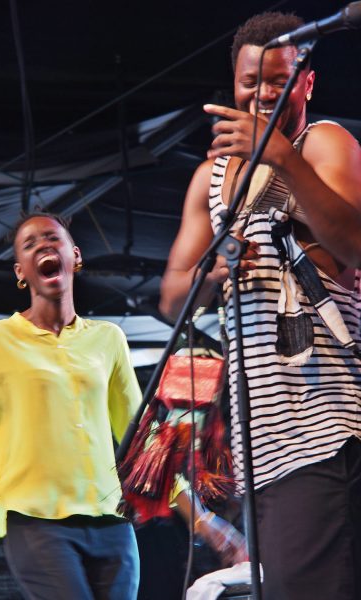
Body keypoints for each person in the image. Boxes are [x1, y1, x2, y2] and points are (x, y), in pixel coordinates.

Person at [159, 10, 361, 600]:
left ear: (306, 83)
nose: (265, 93)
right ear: (235, 85)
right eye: (253, 82)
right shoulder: (211, 179)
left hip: (328, 420)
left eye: (280, 80)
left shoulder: (320, 143)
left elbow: (352, 246)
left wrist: (284, 159)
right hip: (262, 441)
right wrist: (210, 272)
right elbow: (172, 296)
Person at [0, 211, 142, 599]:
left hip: (112, 522)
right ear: (20, 272)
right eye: (29, 244)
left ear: (75, 256)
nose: (43, 245)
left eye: (52, 238)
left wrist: (201, 518)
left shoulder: (109, 339)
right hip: (37, 524)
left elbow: (142, 436)